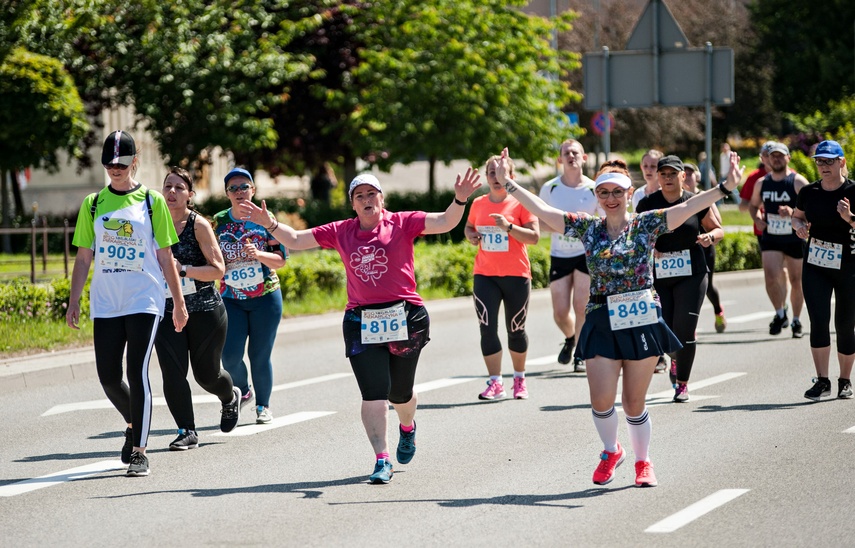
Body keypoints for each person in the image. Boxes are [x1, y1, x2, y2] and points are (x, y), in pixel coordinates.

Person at [495, 146, 744, 488]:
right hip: (600, 315)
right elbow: (544, 210)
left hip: (641, 315)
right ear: (596, 197)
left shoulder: (647, 223)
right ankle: (612, 450)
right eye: (603, 192)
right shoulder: (588, 228)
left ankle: (643, 461)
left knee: (632, 402)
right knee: (600, 399)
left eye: (617, 192)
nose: (610, 198)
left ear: (629, 194)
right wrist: (509, 184)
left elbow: (689, 207)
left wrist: (726, 187)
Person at [238, 170, 481, 484]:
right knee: (373, 394)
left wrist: (460, 198)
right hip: (361, 318)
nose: (367, 201)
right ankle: (382, 458)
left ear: (382, 198)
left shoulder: (403, 222)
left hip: (405, 315)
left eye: (372, 194)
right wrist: (269, 223)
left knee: (400, 393)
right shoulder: (342, 230)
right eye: (359, 196)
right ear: (352, 204)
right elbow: (297, 240)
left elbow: (446, 222)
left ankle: (407, 427)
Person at [66, 130, 188, 477]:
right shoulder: (93, 204)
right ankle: (134, 422)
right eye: (109, 164)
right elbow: (84, 257)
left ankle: (140, 451)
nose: (115, 169)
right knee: (108, 377)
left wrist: (178, 303)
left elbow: (166, 257)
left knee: (137, 371)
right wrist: (74, 300)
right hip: (106, 303)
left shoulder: (152, 202)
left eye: (121, 163)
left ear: (135, 162)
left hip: (144, 299)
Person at [154, 167, 242, 450]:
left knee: (206, 375)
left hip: (204, 310)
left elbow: (218, 270)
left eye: (179, 187)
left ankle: (229, 397)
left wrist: (183, 270)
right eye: (168, 186)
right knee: (172, 372)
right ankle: (186, 430)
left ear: (190, 195)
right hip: (167, 311)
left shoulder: (199, 225)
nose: (172, 192)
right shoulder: (152, 223)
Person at [637, 156, 725, 403]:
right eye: (662, 174)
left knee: (684, 329)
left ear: (682, 177)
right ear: (657, 177)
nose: (667, 178)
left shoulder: (693, 202)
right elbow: (636, 236)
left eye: (672, 174)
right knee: (664, 328)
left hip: (692, 273)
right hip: (660, 277)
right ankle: (675, 358)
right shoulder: (647, 204)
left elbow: (718, 229)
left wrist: (710, 237)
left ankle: (682, 384)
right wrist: (649, 247)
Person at [213, 167, 287, 425]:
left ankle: (263, 406)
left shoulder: (265, 218)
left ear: (253, 190)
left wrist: (258, 255)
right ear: (227, 194)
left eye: (244, 186)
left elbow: (280, 260)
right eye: (233, 188)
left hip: (265, 297)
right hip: (231, 298)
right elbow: (208, 256)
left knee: (259, 354)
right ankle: (243, 390)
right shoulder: (218, 221)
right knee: (229, 356)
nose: (239, 192)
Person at [465, 155, 540, 400]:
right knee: (487, 329)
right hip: (485, 275)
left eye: (501, 173)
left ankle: (519, 379)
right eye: (491, 173)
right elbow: (469, 227)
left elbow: (533, 237)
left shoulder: (521, 203)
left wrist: (508, 227)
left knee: (515, 330)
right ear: (486, 177)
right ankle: (495, 383)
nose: (496, 178)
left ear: (511, 177)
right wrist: (471, 235)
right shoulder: (478, 204)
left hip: (516, 275)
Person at [792, 140, 854, 401]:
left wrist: (850, 218)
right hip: (816, 263)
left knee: (845, 324)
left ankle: (845, 381)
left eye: (829, 161)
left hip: (848, 265)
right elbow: (797, 216)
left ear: (841, 162)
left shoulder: (854, 191)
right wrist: (798, 226)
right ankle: (823, 380)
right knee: (818, 320)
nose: (824, 166)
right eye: (820, 161)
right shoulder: (809, 192)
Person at [538, 139, 600, 372]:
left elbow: (604, 223)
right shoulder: (550, 188)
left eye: (576, 152)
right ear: (560, 159)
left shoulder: (594, 188)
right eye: (567, 153)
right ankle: (571, 337)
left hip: (585, 254)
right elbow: (540, 222)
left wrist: (585, 226)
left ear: (584, 158)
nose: (571, 156)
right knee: (560, 312)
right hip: (560, 254)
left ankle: (581, 353)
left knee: (581, 305)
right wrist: (566, 226)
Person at [749, 142, 809, 337]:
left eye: (780, 156)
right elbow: (753, 205)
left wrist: (793, 213)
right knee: (770, 276)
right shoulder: (762, 183)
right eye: (773, 156)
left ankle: (797, 321)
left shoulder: (798, 181)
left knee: (796, 280)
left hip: (794, 236)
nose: (776, 159)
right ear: (768, 159)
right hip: (771, 237)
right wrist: (757, 218)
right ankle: (780, 313)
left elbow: (813, 209)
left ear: (788, 158)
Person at [684, 162, 727, 333]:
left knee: (706, 286)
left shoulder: (704, 196)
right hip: (685, 250)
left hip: (705, 248)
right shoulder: (678, 198)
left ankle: (718, 310)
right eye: (684, 173)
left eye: (690, 173)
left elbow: (718, 224)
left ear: (697, 177)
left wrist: (707, 235)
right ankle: (688, 324)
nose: (687, 177)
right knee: (685, 288)